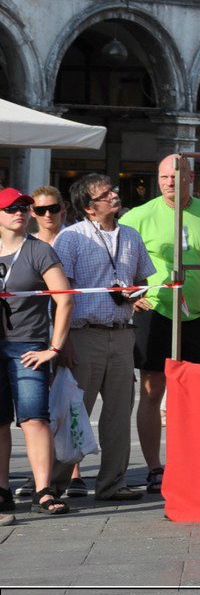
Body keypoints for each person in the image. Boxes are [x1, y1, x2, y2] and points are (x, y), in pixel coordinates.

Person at [122, 155, 200, 494]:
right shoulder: (139, 216)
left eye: (175, 176)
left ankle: (199, 460)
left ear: (190, 176)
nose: (169, 182)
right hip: (155, 312)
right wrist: (131, 296)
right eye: (162, 177)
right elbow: (116, 256)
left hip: (196, 315)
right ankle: (154, 467)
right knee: (151, 389)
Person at [43, 175, 150, 505]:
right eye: (105, 195)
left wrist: (133, 293)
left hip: (121, 333)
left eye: (113, 191)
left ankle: (112, 482)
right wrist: (64, 342)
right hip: (83, 334)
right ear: (89, 208)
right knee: (74, 410)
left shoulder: (131, 235)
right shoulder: (71, 239)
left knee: (119, 412)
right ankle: (52, 484)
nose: (114, 197)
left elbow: (142, 278)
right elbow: (59, 293)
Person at [0, 188, 73, 518]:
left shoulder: (38, 250)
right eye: (11, 208)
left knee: (34, 419)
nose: (20, 212)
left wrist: (53, 348)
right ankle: (2, 490)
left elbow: (65, 299)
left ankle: (42, 489)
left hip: (28, 345)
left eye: (24, 207)